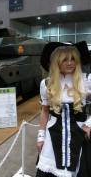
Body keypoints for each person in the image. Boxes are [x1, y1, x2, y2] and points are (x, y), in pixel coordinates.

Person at [36, 41, 91, 177]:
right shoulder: (47, 83)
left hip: (80, 136)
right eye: (64, 59)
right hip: (53, 135)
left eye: (73, 59)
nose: (70, 63)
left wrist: (89, 124)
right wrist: (41, 136)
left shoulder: (86, 80)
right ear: (56, 62)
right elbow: (45, 111)